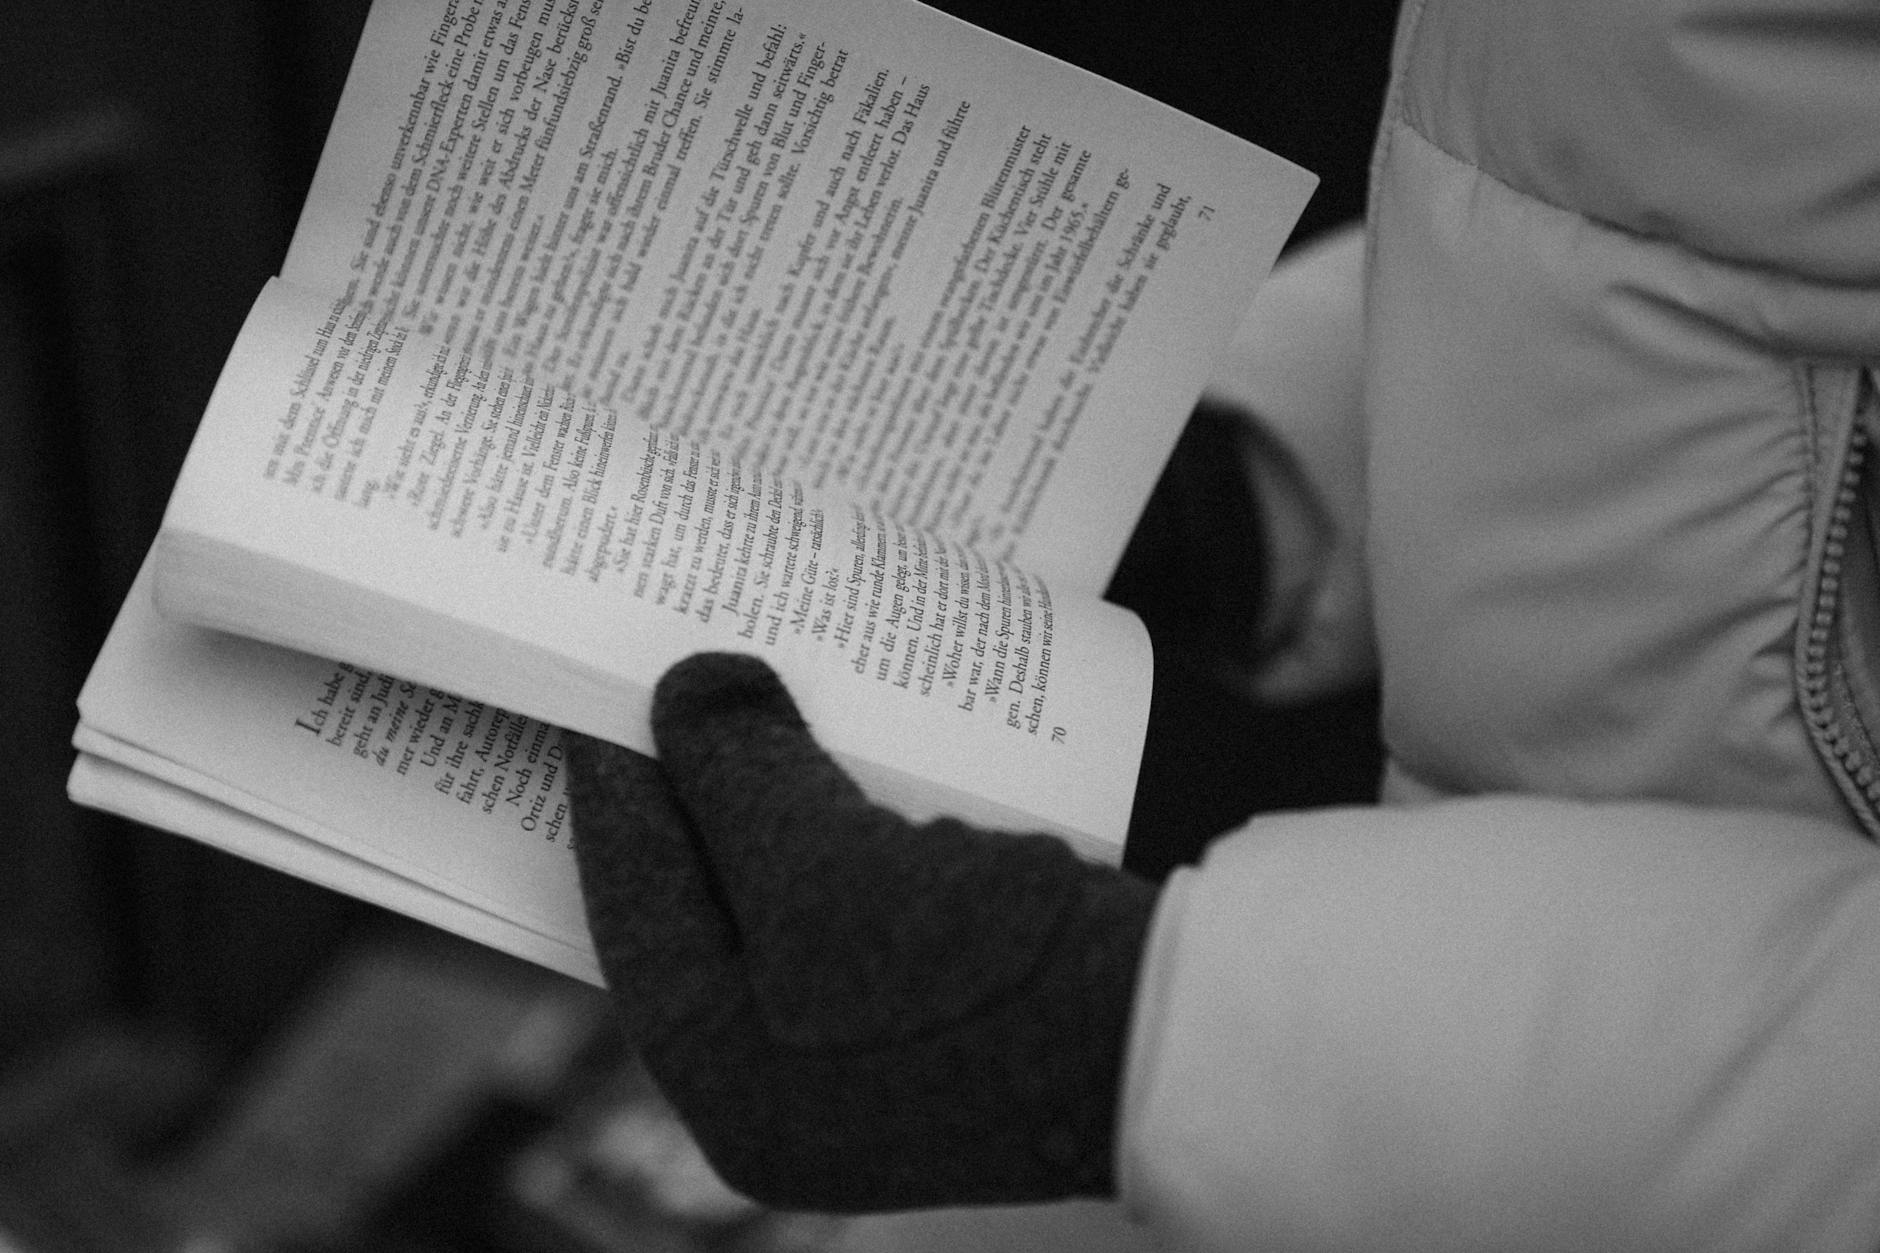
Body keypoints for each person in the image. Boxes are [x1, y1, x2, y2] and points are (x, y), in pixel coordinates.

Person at [566, 0, 1880, 1247]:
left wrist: (1141, 1032)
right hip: (1472, 1042)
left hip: (1509, 1099)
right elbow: (1703, 224)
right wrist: (1258, 486)